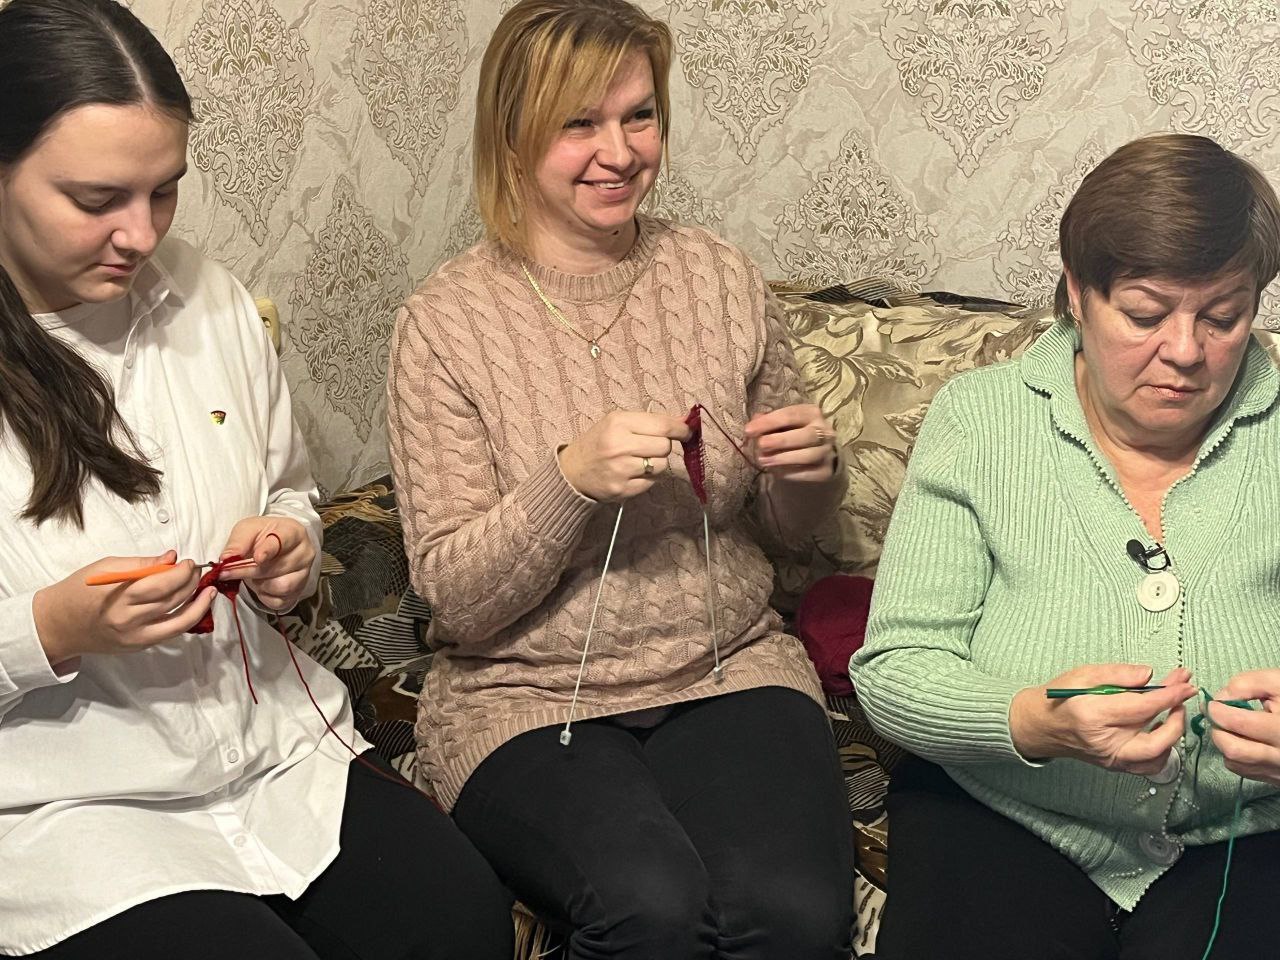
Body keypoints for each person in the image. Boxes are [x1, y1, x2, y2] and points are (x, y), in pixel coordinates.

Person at [0, 1, 513, 957]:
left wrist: (290, 546)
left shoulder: (209, 298)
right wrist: (52, 630)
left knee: (463, 924)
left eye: (164, 191)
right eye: (97, 199)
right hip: (66, 810)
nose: (141, 234)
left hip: (272, 755)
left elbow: (286, 492)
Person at [386, 1, 856, 956]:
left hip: (728, 667)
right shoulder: (443, 325)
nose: (620, 152)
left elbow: (787, 525)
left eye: (639, 116)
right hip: (525, 695)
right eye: (579, 123)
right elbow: (454, 599)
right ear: (513, 137)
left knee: (797, 916)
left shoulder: (718, 276)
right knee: (651, 906)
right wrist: (567, 482)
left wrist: (813, 471)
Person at [850, 133, 1280, 959]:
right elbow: (895, 670)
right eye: (1145, 314)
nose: (1185, 351)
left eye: (1223, 317)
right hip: (1004, 813)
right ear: (1078, 295)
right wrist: (1034, 721)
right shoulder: (982, 419)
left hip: (1245, 836)